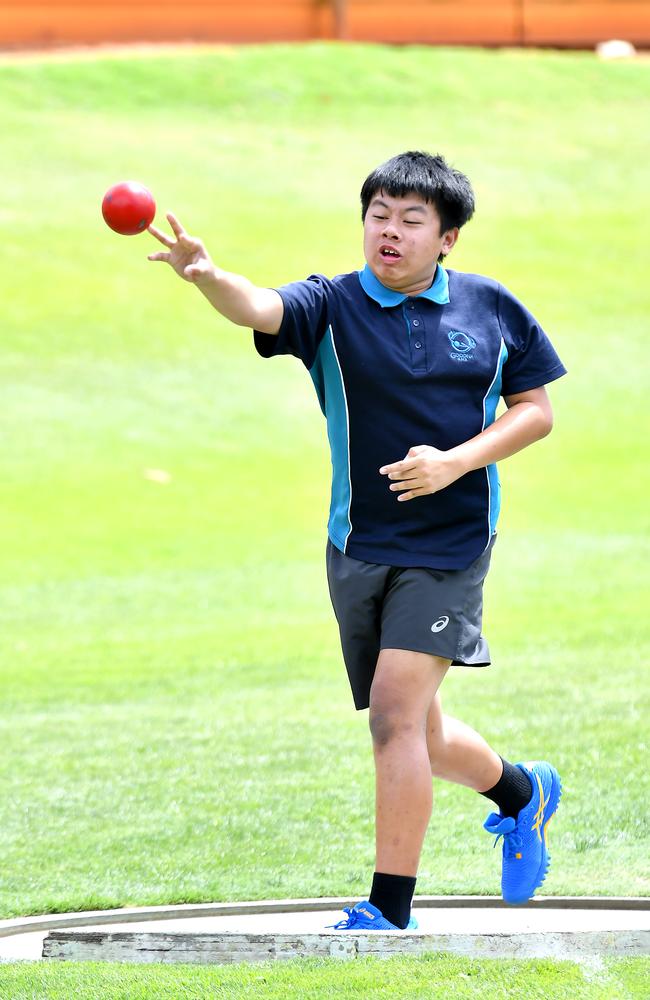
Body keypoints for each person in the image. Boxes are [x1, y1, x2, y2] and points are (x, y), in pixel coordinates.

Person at [147, 151, 565, 932]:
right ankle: (520, 792)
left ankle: (388, 909)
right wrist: (207, 275)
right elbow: (260, 308)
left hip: (452, 541)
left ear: (448, 238)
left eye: (412, 220)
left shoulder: (490, 308)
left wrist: (456, 462)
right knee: (421, 731)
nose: (390, 232)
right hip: (359, 541)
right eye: (379, 215)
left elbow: (534, 409)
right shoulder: (331, 304)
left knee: (393, 718)